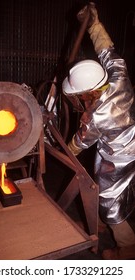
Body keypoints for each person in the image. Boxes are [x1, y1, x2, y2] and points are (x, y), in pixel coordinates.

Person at [62, 2, 135, 260]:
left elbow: (79, 143)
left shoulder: (96, 117)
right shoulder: (118, 77)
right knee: (119, 190)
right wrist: (93, 23)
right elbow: (107, 49)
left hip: (118, 157)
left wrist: (63, 149)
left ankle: (126, 247)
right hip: (128, 145)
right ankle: (105, 219)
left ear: (87, 93)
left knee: (110, 197)